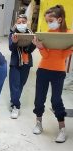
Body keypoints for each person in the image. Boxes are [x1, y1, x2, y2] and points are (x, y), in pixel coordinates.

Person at [32, 5, 72, 143]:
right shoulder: (47, 33)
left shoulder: (69, 34)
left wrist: (44, 48)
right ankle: (38, 123)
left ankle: (62, 129)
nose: (49, 23)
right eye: (47, 21)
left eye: (51, 20)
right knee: (39, 99)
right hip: (43, 70)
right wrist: (41, 47)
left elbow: (62, 57)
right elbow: (46, 56)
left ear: (59, 19)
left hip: (58, 72)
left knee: (56, 100)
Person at [8, 14, 36, 119]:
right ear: (15, 23)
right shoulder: (12, 34)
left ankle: (14, 100)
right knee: (14, 84)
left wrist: (33, 44)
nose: (21, 24)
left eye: (23, 22)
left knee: (20, 85)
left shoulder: (30, 34)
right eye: (19, 22)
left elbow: (30, 50)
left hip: (26, 62)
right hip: (15, 62)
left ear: (27, 23)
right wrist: (14, 43)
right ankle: (16, 106)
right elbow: (11, 48)